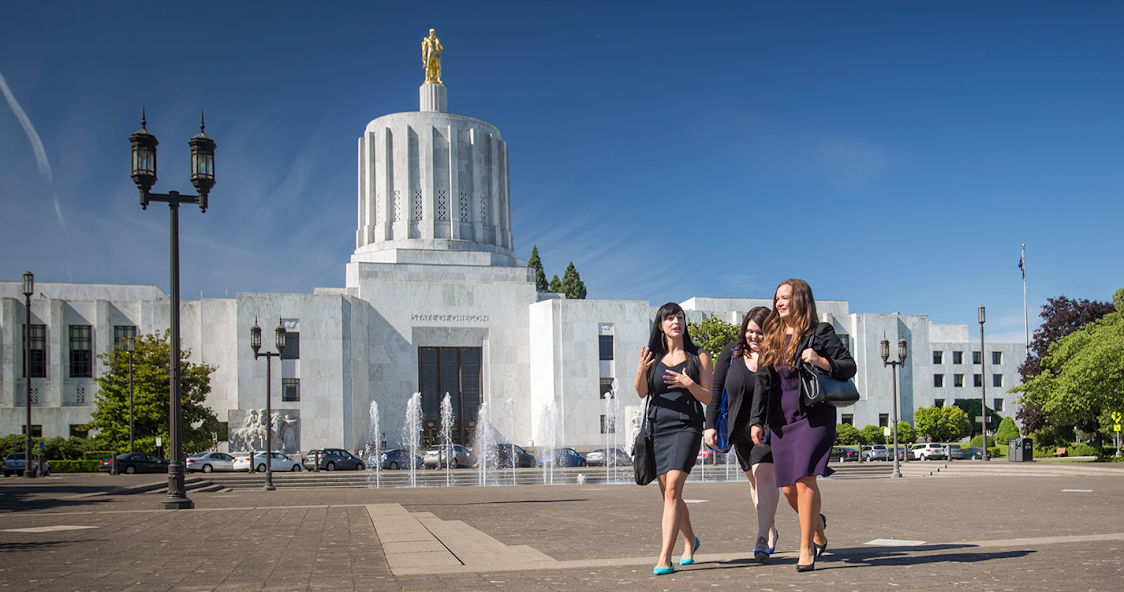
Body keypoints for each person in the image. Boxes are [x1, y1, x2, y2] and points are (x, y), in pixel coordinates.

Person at [749, 279, 856, 572]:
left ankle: (806, 547)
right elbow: (761, 383)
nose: (779, 303)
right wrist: (756, 421)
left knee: (805, 477)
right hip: (781, 420)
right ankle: (818, 526)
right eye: (777, 299)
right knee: (786, 489)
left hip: (813, 415)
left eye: (785, 298)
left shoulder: (820, 332)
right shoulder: (771, 336)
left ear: (801, 299)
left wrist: (821, 359)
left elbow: (849, 366)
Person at [634, 302, 712, 575]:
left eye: (679, 317)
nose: (675, 322)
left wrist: (689, 384)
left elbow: (708, 397)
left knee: (671, 491)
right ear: (660, 325)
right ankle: (690, 540)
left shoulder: (698, 356)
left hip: (686, 427)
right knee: (672, 495)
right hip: (657, 429)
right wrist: (641, 370)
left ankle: (664, 557)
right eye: (669, 318)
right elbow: (642, 392)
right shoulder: (652, 356)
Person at [703, 306, 780, 561]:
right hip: (739, 431)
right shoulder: (731, 352)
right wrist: (710, 425)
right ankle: (769, 528)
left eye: (760, 332)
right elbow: (716, 391)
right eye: (749, 331)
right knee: (754, 482)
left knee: (764, 474)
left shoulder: (775, 357)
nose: (754, 337)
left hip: (768, 428)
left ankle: (761, 538)